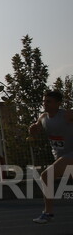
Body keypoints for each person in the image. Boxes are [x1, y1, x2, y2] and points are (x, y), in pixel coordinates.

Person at [28, 90, 73, 223]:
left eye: (48, 101)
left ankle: (48, 213)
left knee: (46, 175)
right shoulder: (43, 117)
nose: (45, 104)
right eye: (44, 101)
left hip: (70, 155)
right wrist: (32, 129)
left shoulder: (67, 115)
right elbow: (36, 127)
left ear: (58, 103)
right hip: (61, 156)